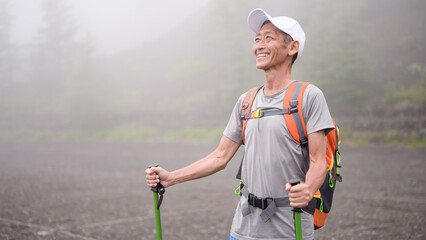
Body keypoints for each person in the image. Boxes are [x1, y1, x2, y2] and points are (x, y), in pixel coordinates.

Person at [146, 8, 335, 240]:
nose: (259, 45)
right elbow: (220, 157)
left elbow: (319, 162)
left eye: (269, 38)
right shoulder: (246, 101)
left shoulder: (309, 97)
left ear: (292, 47)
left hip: (290, 230)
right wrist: (171, 177)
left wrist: (307, 189)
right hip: (243, 229)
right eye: (257, 39)